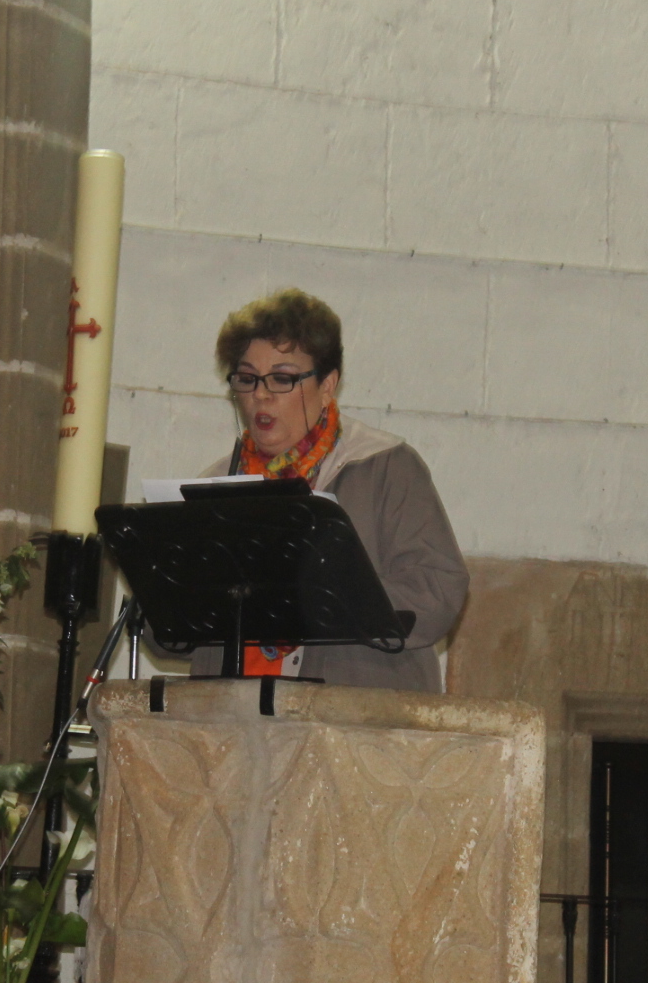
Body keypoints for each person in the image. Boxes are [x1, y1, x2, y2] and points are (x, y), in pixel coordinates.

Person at [186, 288, 468, 692]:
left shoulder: (385, 466)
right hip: (231, 714)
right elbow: (168, 635)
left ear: (327, 385)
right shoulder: (213, 487)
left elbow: (438, 593)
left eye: (282, 378)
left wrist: (317, 599)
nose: (260, 394)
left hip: (352, 716)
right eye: (247, 379)